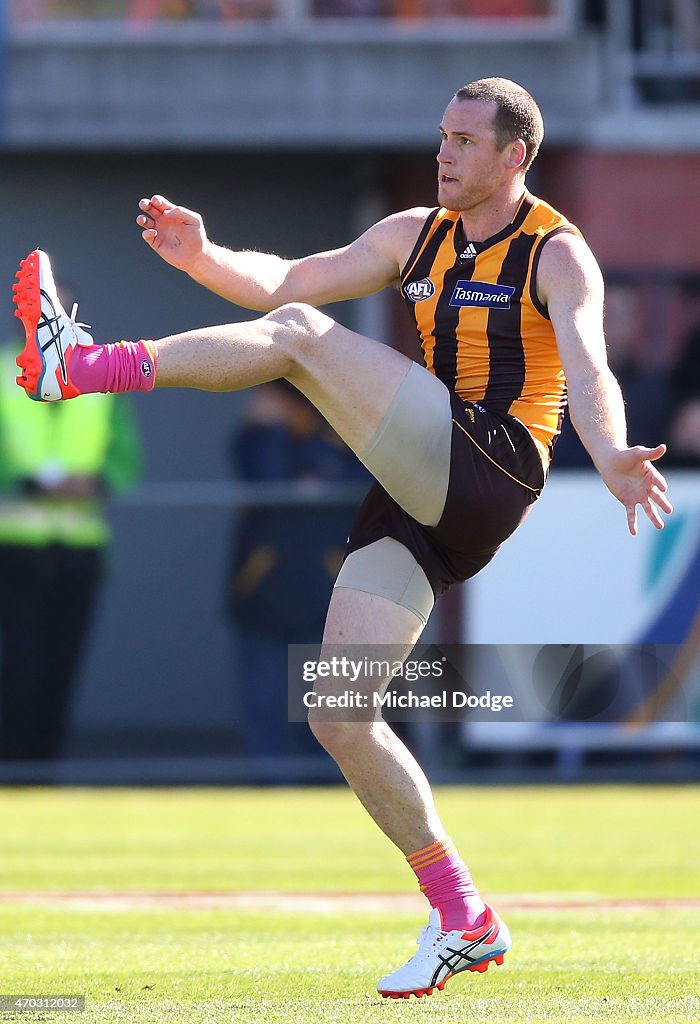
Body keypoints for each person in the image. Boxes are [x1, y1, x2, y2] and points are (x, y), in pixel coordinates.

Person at [12, 78, 671, 997]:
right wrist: (202, 258)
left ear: (515, 156)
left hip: (493, 464)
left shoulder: (558, 252)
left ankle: (78, 365)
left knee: (305, 339)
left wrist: (607, 453)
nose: (444, 153)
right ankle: (464, 915)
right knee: (338, 710)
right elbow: (284, 279)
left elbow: (591, 368)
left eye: (465, 141)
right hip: (425, 492)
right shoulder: (416, 231)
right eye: (440, 136)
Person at [0, 292, 142, 761]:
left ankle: (43, 772)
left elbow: (125, 460)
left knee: (61, 667)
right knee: (15, 669)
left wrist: (97, 482)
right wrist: (30, 484)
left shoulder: (101, 379)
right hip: (13, 548)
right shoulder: (3, 374)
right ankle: (14, 771)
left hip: (79, 551)